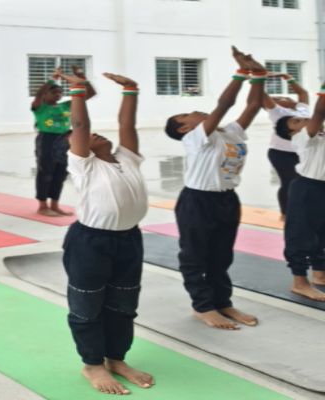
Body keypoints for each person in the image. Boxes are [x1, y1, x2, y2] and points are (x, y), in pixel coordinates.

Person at [62, 71, 152, 396]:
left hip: (129, 240)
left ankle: (116, 359)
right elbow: (80, 125)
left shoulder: (128, 159)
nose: (94, 134)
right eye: (87, 137)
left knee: (124, 304)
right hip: (91, 242)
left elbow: (127, 125)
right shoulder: (84, 166)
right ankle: (92, 364)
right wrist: (77, 90)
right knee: (87, 304)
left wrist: (130, 90)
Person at [164, 47, 266, 330]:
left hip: (227, 200)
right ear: (184, 129)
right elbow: (225, 104)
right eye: (187, 114)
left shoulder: (229, 133)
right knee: (195, 256)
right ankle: (203, 306)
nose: (195, 111)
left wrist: (258, 74)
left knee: (222, 256)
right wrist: (241, 73)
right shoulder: (196, 139)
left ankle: (223, 302)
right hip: (198, 201)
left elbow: (253, 106)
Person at [275, 81, 325, 301]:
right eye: (296, 121)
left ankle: (320, 274)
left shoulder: (319, 135)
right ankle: (299, 282)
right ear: (291, 132)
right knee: (300, 235)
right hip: (307, 188)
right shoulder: (302, 138)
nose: (302, 120)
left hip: (321, 188)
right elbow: (320, 112)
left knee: (322, 234)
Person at [31, 65, 96, 216]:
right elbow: (39, 93)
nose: (58, 94)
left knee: (60, 173)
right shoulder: (39, 107)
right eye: (54, 92)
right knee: (45, 172)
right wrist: (52, 79)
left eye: (60, 92)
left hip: (65, 139)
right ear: (46, 94)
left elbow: (91, 93)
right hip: (47, 140)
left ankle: (54, 205)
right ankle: (42, 206)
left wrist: (81, 77)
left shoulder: (66, 105)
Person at [263, 73, 310, 220]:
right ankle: (285, 213)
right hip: (281, 153)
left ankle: (302, 207)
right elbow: (262, 96)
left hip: (301, 152)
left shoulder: (301, 110)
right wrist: (259, 78)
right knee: (289, 181)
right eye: (277, 99)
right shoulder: (278, 113)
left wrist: (287, 77)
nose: (282, 98)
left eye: (282, 96)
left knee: (303, 181)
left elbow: (303, 93)